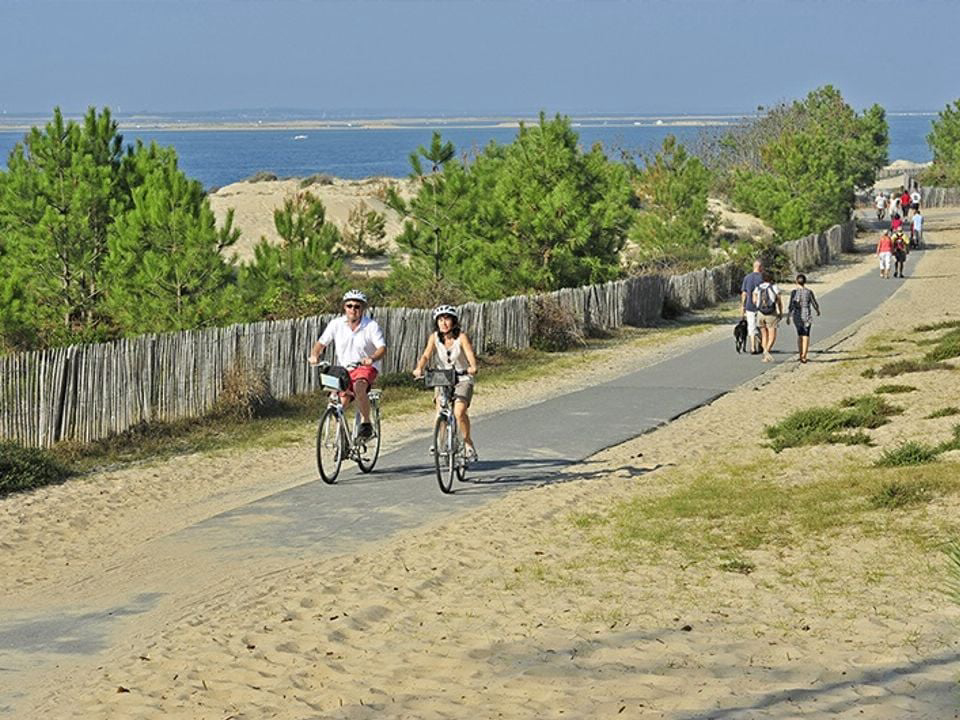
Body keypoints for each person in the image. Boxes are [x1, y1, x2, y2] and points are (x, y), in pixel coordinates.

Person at [308, 290, 387, 440]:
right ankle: (344, 439)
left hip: (365, 367)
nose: (353, 309)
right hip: (345, 369)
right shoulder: (336, 324)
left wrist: (372, 358)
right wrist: (314, 355)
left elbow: (382, 348)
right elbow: (321, 343)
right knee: (339, 402)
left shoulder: (370, 326)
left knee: (359, 387)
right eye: (349, 306)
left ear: (363, 308)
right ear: (344, 307)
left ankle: (366, 423)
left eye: (357, 306)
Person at [413, 305, 479, 460]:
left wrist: (473, 366)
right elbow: (426, 355)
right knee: (440, 409)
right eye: (440, 320)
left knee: (459, 412)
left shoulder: (461, 337)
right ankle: (439, 442)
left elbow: (469, 353)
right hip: (443, 377)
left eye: (447, 319)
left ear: (454, 321)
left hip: (462, 377)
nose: (444, 323)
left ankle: (468, 443)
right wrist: (419, 368)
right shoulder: (434, 338)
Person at [786, 273, 821, 364]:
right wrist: (817, 310)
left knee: (800, 335)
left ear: (796, 282)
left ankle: (800, 353)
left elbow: (791, 305)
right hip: (806, 315)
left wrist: (788, 316)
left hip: (797, 316)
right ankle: (804, 355)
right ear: (805, 282)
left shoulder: (794, 292)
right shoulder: (809, 292)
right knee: (806, 335)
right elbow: (814, 303)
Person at [752, 270, 782, 363]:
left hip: (761, 313)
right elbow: (779, 301)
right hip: (771, 313)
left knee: (764, 334)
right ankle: (766, 351)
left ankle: (765, 355)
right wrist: (780, 312)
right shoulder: (774, 287)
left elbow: (754, 300)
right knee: (772, 335)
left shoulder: (758, 288)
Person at [739, 259, 765, 355]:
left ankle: (753, 347)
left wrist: (743, 305)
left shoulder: (747, 278)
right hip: (761, 306)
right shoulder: (762, 278)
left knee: (751, 326)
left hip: (749, 305)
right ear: (760, 267)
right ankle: (761, 344)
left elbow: (744, 293)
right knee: (761, 326)